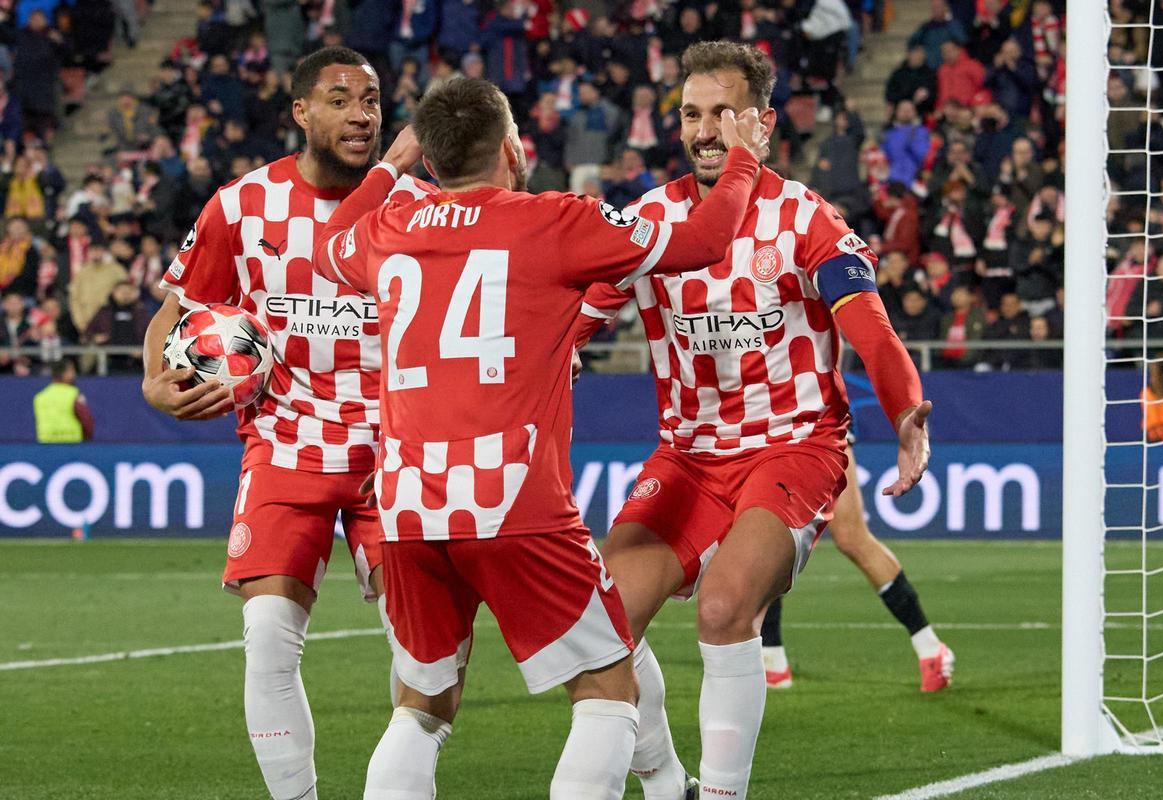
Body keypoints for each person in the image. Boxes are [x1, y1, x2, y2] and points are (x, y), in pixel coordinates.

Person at [311, 76, 767, 800]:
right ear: (511, 147)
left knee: (423, 706)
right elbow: (708, 239)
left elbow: (325, 245)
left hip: (404, 509)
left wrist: (387, 169)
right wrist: (744, 158)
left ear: (428, 159)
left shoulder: (384, 232)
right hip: (513, 501)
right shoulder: (554, 220)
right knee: (607, 688)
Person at [575, 42, 933, 799]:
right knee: (597, 625)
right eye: (691, 115)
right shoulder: (652, 220)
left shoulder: (805, 217)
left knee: (724, 604)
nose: (706, 132)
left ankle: (725, 794)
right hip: (689, 457)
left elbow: (868, 326)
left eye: (724, 116)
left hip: (795, 447)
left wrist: (904, 409)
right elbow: (577, 319)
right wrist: (553, 352)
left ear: (762, 124)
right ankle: (670, 782)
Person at [141, 46, 431, 800]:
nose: (362, 113)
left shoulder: (412, 206)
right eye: (340, 99)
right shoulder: (242, 206)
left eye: (371, 98)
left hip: (396, 453)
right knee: (269, 637)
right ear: (301, 112)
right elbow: (177, 309)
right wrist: (152, 382)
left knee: (425, 650)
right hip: (287, 442)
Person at [760, 445, 954, 692]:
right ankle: (771, 658)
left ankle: (930, 648)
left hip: (820, 426)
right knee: (768, 536)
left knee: (852, 538)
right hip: (768, 430)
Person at [34, 358, 94, 443]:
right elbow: (86, 421)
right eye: (71, 371)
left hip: (46, 446)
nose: (74, 374)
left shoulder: (40, 397)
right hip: (71, 445)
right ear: (63, 374)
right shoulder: (74, 394)